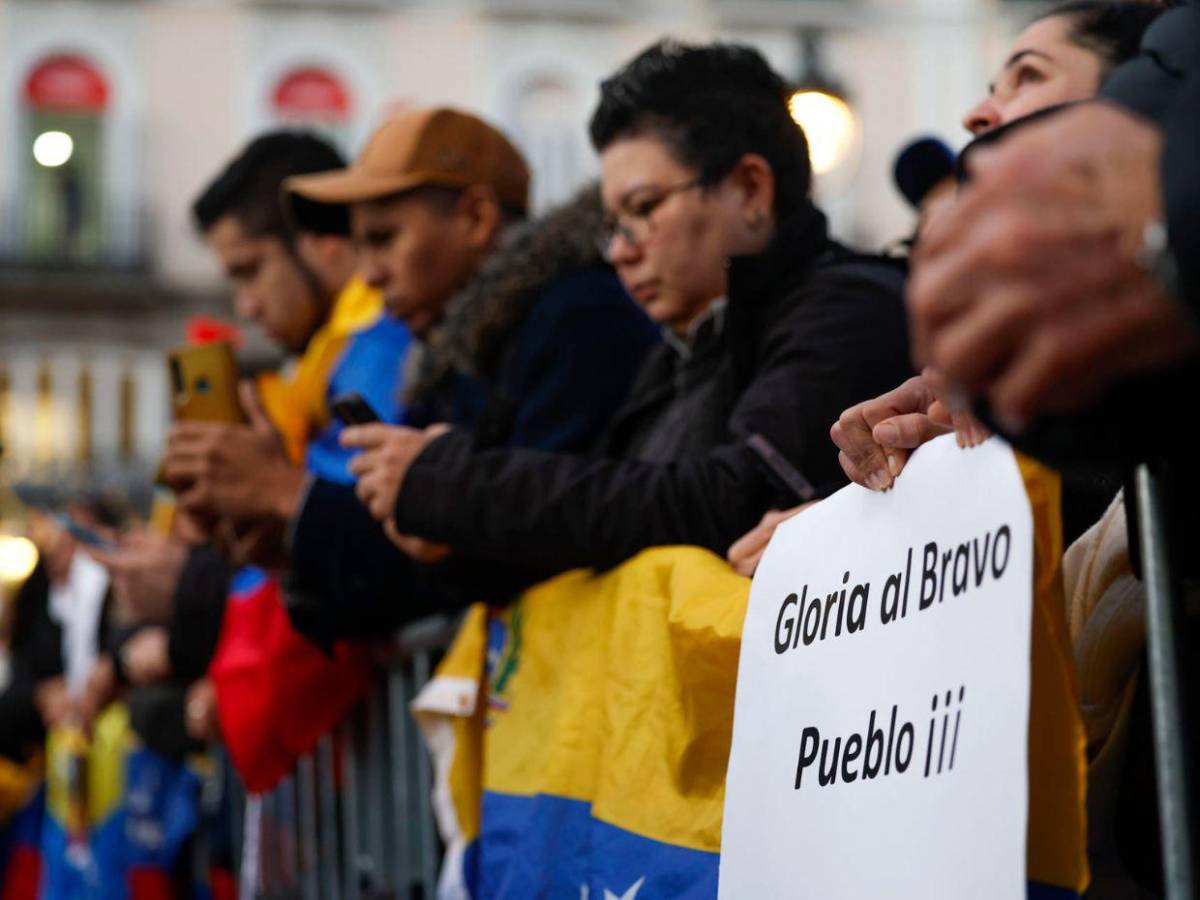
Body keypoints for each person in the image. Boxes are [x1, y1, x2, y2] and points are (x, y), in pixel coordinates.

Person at [340, 41, 913, 581]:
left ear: (750, 189)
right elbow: (608, 522)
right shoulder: (674, 358)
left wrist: (463, 488)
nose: (620, 250)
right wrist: (452, 534)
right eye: (613, 225)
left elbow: (727, 500)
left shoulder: (850, 310)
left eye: (644, 208)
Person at [169, 108, 658, 646]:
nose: (370, 273)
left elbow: (536, 534)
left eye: (383, 239)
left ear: (476, 218)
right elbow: (421, 569)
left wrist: (286, 494)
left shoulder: (577, 316)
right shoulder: (451, 359)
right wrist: (290, 540)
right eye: (361, 246)